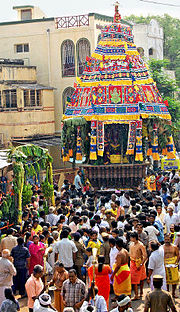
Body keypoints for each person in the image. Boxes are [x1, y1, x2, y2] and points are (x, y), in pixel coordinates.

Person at [129, 231, 147, 300]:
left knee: (142, 279)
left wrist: (141, 264)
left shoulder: (140, 245)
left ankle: (141, 292)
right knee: (134, 280)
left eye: (131, 238)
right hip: (132, 262)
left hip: (139, 262)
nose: (130, 239)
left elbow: (145, 256)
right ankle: (136, 294)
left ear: (134, 238)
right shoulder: (131, 244)